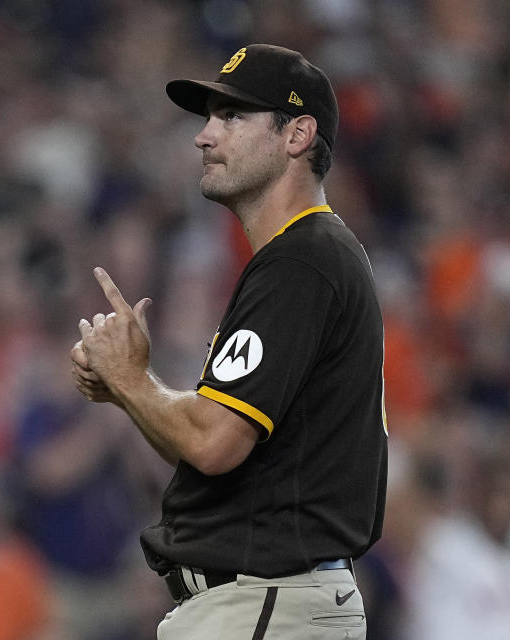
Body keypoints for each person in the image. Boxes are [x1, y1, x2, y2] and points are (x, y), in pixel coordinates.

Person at [70, 44, 388, 639]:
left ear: (297, 135)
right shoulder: (308, 257)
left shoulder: (302, 261)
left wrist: (132, 380)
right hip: (271, 601)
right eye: (209, 116)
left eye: (233, 116)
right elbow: (221, 449)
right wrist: (127, 389)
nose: (205, 136)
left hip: (266, 602)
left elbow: (215, 445)